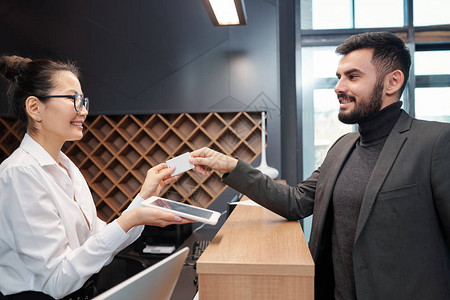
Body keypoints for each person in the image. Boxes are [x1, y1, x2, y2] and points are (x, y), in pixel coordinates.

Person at [189, 32, 450, 300]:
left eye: (353, 76)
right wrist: (229, 166)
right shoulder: (342, 147)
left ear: (393, 82)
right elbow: (296, 202)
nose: (338, 87)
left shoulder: (436, 143)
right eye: (339, 77)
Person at [0, 55, 192, 299]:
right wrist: (131, 218)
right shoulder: (20, 173)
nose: (84, 111)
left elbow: (99, 241)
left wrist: (144, 197)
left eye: (83, 100)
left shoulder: (67, 167)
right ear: (35, 108)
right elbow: (55, 282)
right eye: (73, 99)